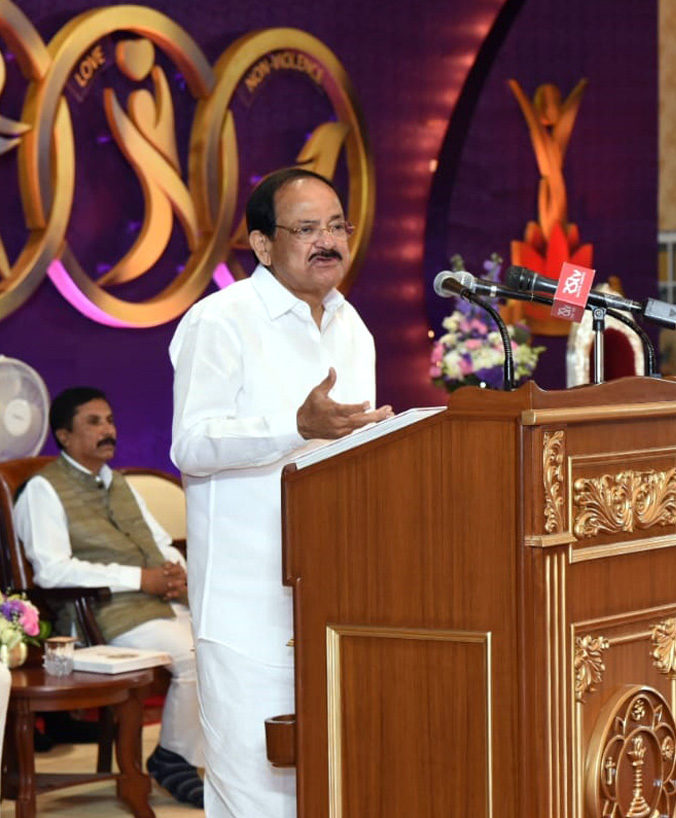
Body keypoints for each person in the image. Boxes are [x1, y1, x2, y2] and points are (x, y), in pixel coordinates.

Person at [169, 168, 393, 817]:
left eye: (335, 227)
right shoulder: (221, 321)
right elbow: (191, 445)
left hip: (335, 598)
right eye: (305, 229)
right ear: (263, 245)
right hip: (247, 608)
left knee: (327, 787)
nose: (326, 242)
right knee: (255, 794)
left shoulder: (354, 328)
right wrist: (291, 427)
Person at [14, 387, 204, 807]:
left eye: (110, 420)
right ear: (63, 435)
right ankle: (173, 761)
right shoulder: (43, 491)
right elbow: (52, 570)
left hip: (157, 606)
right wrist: (141, 579)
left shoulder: (119, 483)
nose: (108, 430)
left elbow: (156, 539)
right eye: (94, 422)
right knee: (194, 653)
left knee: (219, 645)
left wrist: (176, 572)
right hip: (99, 617)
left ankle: (193, 757)